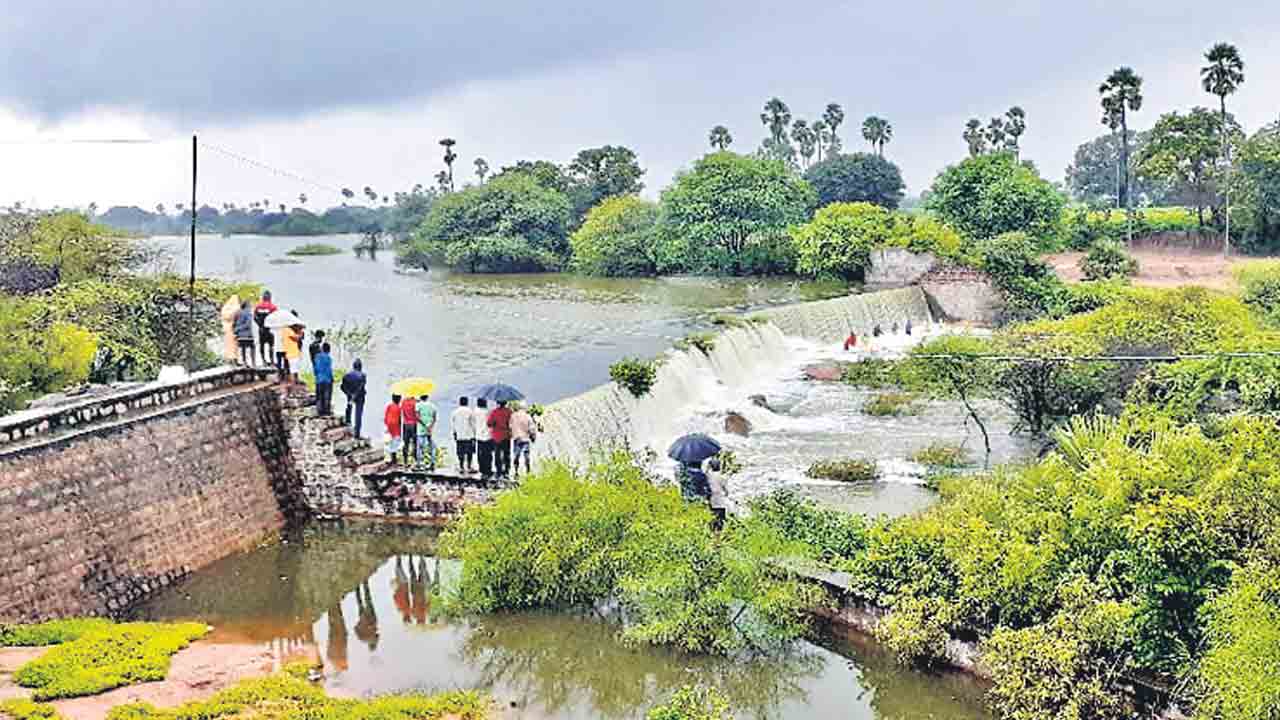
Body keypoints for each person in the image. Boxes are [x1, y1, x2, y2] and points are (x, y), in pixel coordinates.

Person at [341, 359, 368, 438]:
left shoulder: (347, 375)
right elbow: (361, 387)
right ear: (360, 367)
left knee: (349, 408)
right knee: (358, 414)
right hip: (360, 397)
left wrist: (349, 394)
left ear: (353, 366)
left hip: (350, 394)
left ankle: (347, 424)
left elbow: (342, 387)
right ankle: (357, 433)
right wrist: (354, 395)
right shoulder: (363, 375)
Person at [488, 400, 513, 479]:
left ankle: (498, 471)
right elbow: (512, 423)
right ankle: (506, 471)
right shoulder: (509, 412)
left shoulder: (494, 412)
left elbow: (489, 423)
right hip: (506, 435)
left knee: (497, 454)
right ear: (505, 403)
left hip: (496, 436)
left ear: (498, 403)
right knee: (507, 454)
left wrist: (495, 423)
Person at [451, 397, 477, 474]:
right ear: (467, 402)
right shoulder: (470, 412)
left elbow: (453, 424)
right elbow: (473, 424)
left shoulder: (455, 412)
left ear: (460, 402)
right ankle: (469, 466)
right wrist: (474, 435)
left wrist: (454, 433)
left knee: (460, 452)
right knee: (469, 452)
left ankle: (461, 466)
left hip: (459, 435)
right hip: (468, 435)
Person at [510, 403, 537, 478]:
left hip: (516, 438)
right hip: (525, 438)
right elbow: (532, 429)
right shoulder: (528, 416)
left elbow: (510, 426)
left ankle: (516, 472)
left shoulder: (513, 416)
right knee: (526, 456)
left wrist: (512, 434)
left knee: (516, 455)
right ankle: (528, 471)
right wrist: (533, 437)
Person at [253, 290, 278, 367]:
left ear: (263, 297)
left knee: (262, 345)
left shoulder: (258, 306)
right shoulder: (273, 307)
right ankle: (272, 361)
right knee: (271, 345)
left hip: (261, 329)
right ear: (270, 297)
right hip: (270, 330)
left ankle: (263, 361)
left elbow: (254, 317)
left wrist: (260, 325)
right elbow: (276, 318)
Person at [706, 456, 730, 531]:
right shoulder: (722, 477)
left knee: (712, 519)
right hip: (721, 501)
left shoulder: (708, 476)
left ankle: (713, 534)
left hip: (711, 501)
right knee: (721, 520)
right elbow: (726, 491)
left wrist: (707, 468)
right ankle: (719, 535)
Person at [417, 393, 438, 471]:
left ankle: (420, 463)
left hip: (421, 429)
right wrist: (430, 426)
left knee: (420, 447)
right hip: (430, 430)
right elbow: (435, 418)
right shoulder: (432, 406)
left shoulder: (418, 405)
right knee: (431, 446)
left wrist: (425, 425)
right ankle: (432, 462)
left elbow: (417, 417)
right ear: (427, 397)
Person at [475, 398, 494, 480]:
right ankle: (488, 469)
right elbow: (491, 423)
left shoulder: (475, 411)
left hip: (478, 435)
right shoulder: (488, 412)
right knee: (488, 454)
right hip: (488, 435)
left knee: (480, 453)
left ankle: (481, 469)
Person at [313, 342, 334, 416]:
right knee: (327, 396)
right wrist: (332, 378)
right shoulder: (328, 358)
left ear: (322, 349)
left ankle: (319, 411)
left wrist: (316, 376)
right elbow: (329, 370)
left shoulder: (317, 357)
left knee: (319, 396)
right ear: (329, 350)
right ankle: (326, 412)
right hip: (327, 380)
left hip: (319, 379)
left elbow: (316, 369)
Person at [400, 392, 419, 467]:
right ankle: (415, 461)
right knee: (415, 443)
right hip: (414, 425)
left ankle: (405, 461)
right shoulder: (415, 403)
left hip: (405, 424)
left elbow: (402, 412)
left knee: (406, 443)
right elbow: (417, 414)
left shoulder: (403, 402)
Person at [233, 301, 255, 366]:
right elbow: (248, 324)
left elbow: (234, 324)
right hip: (247, 335)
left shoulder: (237, 313)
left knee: (243, 347)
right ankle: (253, 363)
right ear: (247, 306)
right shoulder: (248, 313)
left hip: (239, 335)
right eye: (250, 306)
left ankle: (244, 361)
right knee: (252, 346)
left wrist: (236, 330)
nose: (251, 307)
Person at [220, 295, 240, 363]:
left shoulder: (225, 308)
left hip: (226, 328)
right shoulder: (236, 308)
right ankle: (234, 359)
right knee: (234, 345)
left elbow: (223, 316)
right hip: (233, 328)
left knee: (228, 345)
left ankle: (229, 359)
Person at [384, 395, 403, 463]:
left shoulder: (389, 406)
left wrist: (386, 425)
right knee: (394, 443)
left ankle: (390, 458)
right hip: (395, 428)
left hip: (389, 426)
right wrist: (400, 430)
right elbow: (399, 420)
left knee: (389, 442)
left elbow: (386, 416)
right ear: (399, 400)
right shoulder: (399, 408)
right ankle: (394, 459)